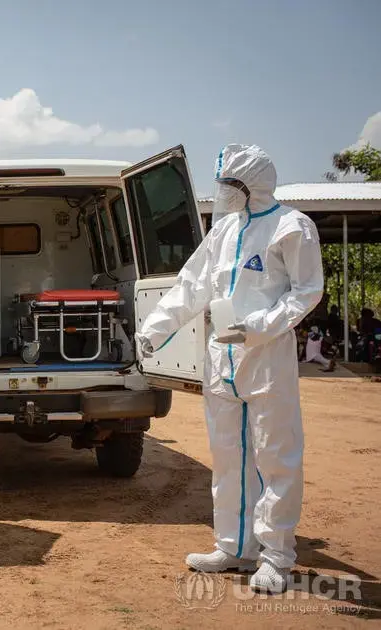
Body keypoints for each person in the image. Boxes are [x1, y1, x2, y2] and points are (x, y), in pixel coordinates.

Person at [136, 144, 323, 594]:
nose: (222, 193)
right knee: (227, 458)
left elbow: (306, 292)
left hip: (266, 359)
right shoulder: (222, 233)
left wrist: (256, 327)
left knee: (275, 457)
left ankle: (275, 557)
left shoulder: (292, 227)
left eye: (229, 186)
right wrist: (154, 330)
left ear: (251, 186)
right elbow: (191, 285)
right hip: (222, 361)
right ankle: (235, 547)